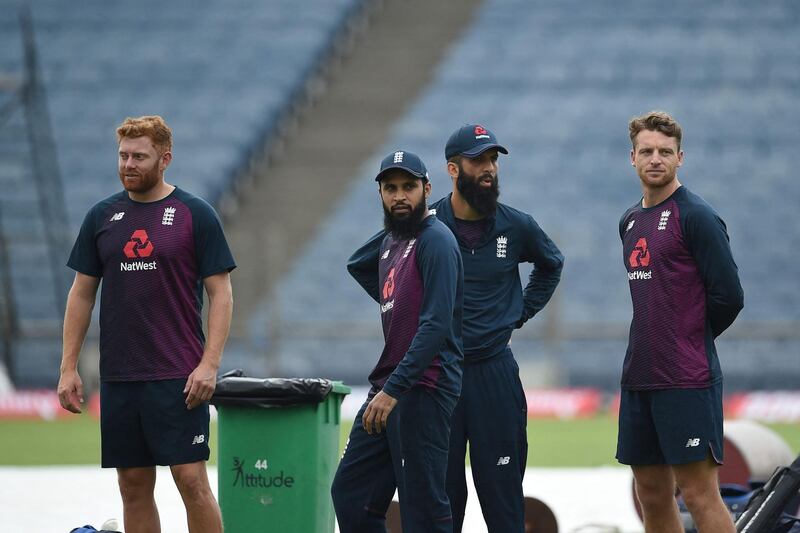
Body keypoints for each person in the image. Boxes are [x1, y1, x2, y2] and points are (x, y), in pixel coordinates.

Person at [57, 115, 235, 533]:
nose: (128, 165)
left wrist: (209, 364)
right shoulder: (101, 216)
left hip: (178, 375)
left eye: (139, 156)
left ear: (165, 159)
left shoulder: (195, 214)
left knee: (191, 481)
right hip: (120, 376)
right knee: (132, 484)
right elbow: (82, 293)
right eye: (123, 156)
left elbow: (221, 293)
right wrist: (68, 367)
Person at [617, 111, 744, 533]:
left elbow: (729, 296)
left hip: (687, 379)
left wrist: (688, 337)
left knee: (698, 493)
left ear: (680, 158)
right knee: (651, 494)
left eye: (665, 152)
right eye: (647, 151)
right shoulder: (630, 221)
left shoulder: (697, 217)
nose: (656, 158)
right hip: (639, 376)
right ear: (631, 158)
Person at [434, 124, 563, 532]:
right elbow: (370, 265)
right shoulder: (427, 224)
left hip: (495, 373)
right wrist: (404, 314)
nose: (489, 168)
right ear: (453, 169)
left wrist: (518, 312)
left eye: (493, 159)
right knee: (442, 497)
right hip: (441, 374)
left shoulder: (516, 225)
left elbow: (551, 263)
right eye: (478, 160)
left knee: (503, 496)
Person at [331, 150, 464, 532]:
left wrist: (394, 389)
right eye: (391, 188)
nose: (400, 196)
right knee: (351, 494)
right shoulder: (390, 242)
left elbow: (436, 325)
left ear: (427, 189)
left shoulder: (437, 239)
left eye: (409, 186)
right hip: (389, 387)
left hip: (423, 387)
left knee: (422, 506)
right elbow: (357, 262)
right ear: (380, 194)